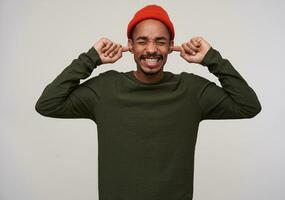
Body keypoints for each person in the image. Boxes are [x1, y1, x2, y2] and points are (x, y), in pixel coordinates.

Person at [35, 4, 261, 200]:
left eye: (160, 41)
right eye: (142, 41)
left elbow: (248, 105)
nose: (151, 49)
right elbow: (48, 104)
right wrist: (90, 58)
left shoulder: (192, 90)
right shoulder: (105, 88)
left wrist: (212, 59)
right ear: (130, 45)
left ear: (171, 46)